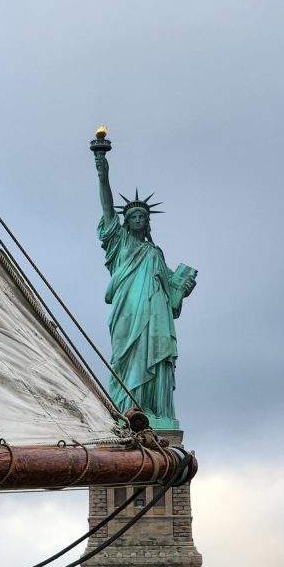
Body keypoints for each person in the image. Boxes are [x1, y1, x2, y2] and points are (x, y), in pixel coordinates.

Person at [95, 149, 196, 430]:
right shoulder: (120, 243)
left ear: (147, 222)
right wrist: (102, 172)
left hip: (156, 312)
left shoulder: (155, 252)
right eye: (133, 216)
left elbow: (172, 291)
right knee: (127, 358)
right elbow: (107, 208)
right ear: (125, 222)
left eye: (143, 216)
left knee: (156, 355)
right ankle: (127, 409)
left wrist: (183, 285)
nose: (139, 219)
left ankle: (154, 410)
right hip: (128, 310)